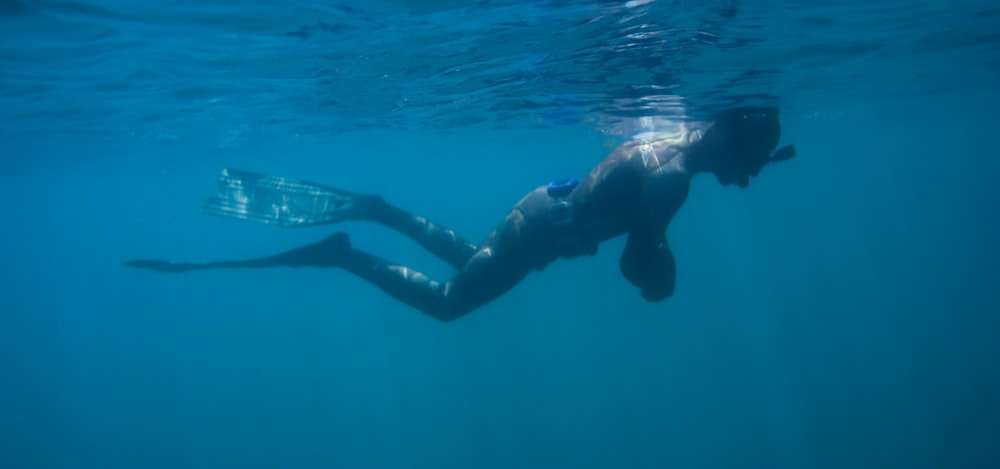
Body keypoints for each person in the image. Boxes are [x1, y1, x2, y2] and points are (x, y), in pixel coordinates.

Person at [126, 106, 796, 322]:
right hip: (543, 229)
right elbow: (636, 266)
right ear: (733, 145)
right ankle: (344, 252)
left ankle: (383, 212)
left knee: (470, 260)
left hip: (542, 208)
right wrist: (664, 277)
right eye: (751, 167)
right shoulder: (675, 180)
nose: (743, 183)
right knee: (449, 303)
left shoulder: (670, 133)